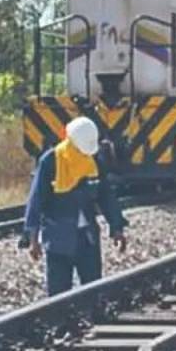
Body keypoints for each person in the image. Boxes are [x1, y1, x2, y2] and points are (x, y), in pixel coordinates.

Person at [23, 117, 128, 296]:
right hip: (58, 239)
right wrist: (32, 238)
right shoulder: (51, 162)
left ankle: (91, 313)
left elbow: (106, 196)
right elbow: (36, 200)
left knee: (93, 290)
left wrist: (117, 227)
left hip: (88, 238)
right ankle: (62, 316)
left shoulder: (93, 161)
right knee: (59, 294)